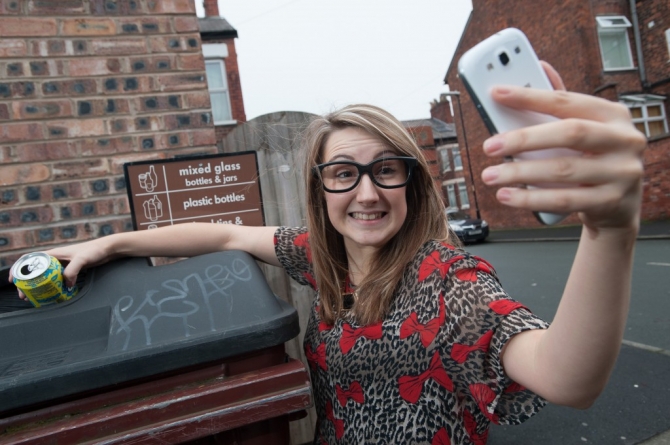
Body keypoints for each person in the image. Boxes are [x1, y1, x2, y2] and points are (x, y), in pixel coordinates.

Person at [11, 62, 645, 444]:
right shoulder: (323, 259)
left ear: (410, 182)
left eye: (385, 170)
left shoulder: (446, 280)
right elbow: (224, 234)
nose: (366, 193)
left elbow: (566, 377)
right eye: (343, 173)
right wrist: (109, 243)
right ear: (320, 189)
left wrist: (609, 230)